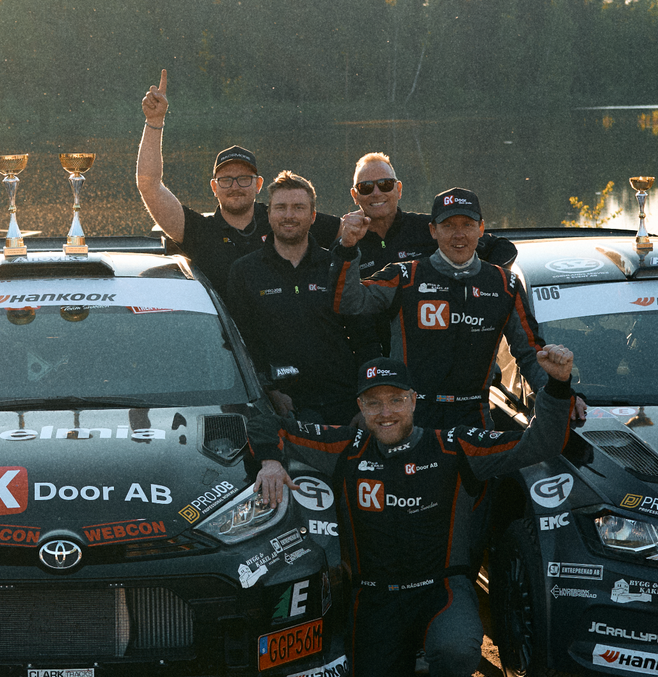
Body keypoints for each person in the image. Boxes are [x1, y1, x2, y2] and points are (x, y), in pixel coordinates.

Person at [256, 351, 580, 677]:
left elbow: (542, 442)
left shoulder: (454, 445)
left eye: (395, 400)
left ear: (413, 400)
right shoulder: (345, 446)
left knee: (456, 647)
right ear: (360, 407)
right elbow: (268, 424)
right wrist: (271, 462)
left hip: (439, 589)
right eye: (373, 402)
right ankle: (392, 673)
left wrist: (558, 386)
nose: (385, 412)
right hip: (374, 600)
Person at [333, 189, 547, 429]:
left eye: (467, 225)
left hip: (474, 416)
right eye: (448, 226)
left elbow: (531, 353)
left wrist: (559, 396)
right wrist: (348, 247)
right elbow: (348, 302)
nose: (459, 235)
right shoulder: (405, 276)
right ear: (433, 230)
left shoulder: (506, 284)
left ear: (481, 229)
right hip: (414, 418)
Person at [134, 70, 338, 287]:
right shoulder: (199, 231)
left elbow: (346, 230)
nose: (235, 186)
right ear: (214, 187)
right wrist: (154, 121)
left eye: (243, 178)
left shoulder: (282, 217)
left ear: (258, 184)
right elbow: (149, 185)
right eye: (226, 180)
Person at [218, 172, 361, 425]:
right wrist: (269, 390)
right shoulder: (244, 271)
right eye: (281, 207)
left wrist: (366, 401)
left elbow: (363, 336)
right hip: (279, 408)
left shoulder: (336, 265)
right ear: (268, 214)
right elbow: (241, 342)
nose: (289, 215)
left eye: (298, 207)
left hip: (342, 406)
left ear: (313, 216)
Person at [337, 152, 436, 363]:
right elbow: (341, 303)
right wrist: (347, 245)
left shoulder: (428, 229)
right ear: (355, 195)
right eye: (366, 187)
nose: (376, 193)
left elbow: (496, 247)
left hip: (428, 351)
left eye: (385, 184)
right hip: (368, 358)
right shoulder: (346, 243)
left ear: (398, 189)